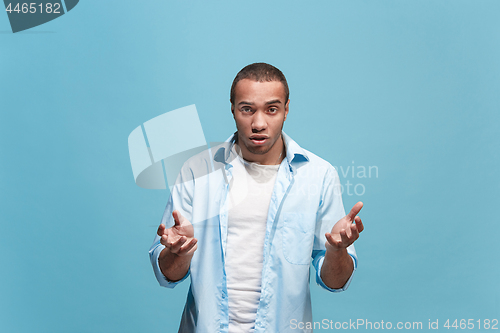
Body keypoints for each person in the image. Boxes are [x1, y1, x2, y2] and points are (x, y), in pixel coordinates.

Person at [149, 63, 364, 333]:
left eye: (271, 109)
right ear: (232, 108)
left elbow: (335, 281)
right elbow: (168, 274)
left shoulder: (319, 175)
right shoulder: (197, 171)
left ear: (287, 110)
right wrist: (179, 251)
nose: (258, 123)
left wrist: (336, 250)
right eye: (247, 109)